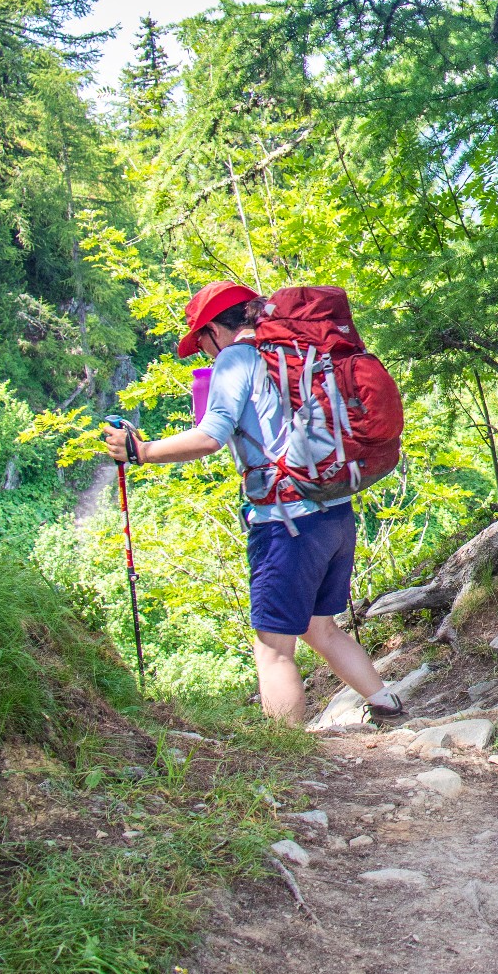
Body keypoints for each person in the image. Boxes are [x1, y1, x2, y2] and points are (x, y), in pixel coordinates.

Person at [102, 280, 405, 723]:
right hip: (335, 510)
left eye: (201, 343)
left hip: (286, 522)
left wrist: (141, 452)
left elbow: (210, 438)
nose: (205, 353)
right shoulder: (298, 350)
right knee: (319, 628)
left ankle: (286, 749)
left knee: (273, 648)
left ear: (214, 331)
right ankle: (387, 705)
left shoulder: (235, 359)